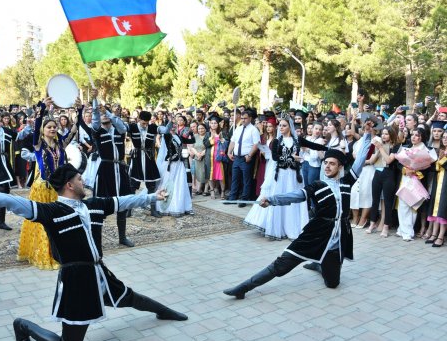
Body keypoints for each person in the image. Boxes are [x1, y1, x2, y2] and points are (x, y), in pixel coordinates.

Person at [0, 164, 187, 341]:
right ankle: (23, 326)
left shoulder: (93, 205)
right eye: (79, 179)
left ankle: (164, 312)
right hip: (76, 283)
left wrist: (152, 196)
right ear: (69, 185)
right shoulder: (50, 211)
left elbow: (123, 201)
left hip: (99, 273)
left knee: (128, 296)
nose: (83, 181)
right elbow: (11, 201)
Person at [224, 130, 372, 299]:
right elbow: (295, 196)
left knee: (333, 284)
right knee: (281, 264)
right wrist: (272, 200)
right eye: (326, 163)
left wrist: (367, 135)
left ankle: (319, 263)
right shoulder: (317, 185)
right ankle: (244, 287)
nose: (327, 166)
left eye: (332, 163)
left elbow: (360, 161)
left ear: (340, 167)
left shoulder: (347, 182)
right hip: (315, 234)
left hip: (336, 239)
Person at [17, 98, 70, 270]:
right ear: (43, 130)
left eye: (55, 127)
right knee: (43, 221)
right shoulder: (38, 145)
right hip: (42, 189)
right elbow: (38, 123)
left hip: (58, 189)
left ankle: (59, 251)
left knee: (59, 220)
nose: (53, 129)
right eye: (49, 127)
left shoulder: (61, 144)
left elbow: (75, 130)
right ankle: (43, 252)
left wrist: (80, 109)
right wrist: (42, 107)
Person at [88, 91, 134, 247]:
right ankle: (97, 240)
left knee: (123, 202)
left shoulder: (119, 131)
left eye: (106, 115)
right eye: (102, 116)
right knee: (101, 205)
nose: (105, 117)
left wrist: (106, 111)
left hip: (120, 169)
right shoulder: (97, 131)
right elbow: (94, 118)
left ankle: (122, 237)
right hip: (105, 170)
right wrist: (95, 101)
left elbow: (120, 124)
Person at [157, 116, 195, 216]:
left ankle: (180, 206)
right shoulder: (167, 136)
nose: (173, 126)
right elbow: (165, 131)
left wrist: (191, 133)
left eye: (175, 125)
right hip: (171, 163)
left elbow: (192, 141)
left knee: (180, 184)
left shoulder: (179, 136)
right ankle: (165, 206)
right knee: (168, 184)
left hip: (179, 164)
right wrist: (170, 121)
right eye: (172, 125)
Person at [127, 110, 162, 217]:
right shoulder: (132, 127)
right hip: (137, 157)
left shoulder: (152, 127)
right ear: (138, 120)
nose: (145, 125)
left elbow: (164, 130)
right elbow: (120, 128)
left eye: (147, 123)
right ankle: (129, 210)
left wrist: (170, 123)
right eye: (143, 123)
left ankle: (153, 210)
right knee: (132, 185)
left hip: (148, 158)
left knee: (152, 186)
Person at [227, 110, 260, 207]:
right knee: (235, 178)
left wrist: (250, 155)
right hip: (236, 157)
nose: (243, 120)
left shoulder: (253, 130)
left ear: (250, 118)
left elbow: (256, 144)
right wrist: (229, 152)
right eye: (242, 118)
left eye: (245, 118)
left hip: (246, 158)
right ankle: (232, 197)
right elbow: (233, 141)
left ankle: (244, 199)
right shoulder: (238, 129)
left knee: (246, 180)